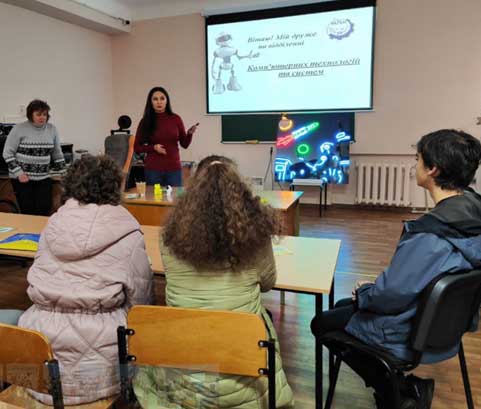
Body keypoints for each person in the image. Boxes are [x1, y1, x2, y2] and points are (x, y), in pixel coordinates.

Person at [311, 129, 481, 409]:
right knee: (343, 306)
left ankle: (399, 395)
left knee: (321, 323)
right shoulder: (472, 213)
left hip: (409, 331)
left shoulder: (430, 236)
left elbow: (390, 296)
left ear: (433, 169)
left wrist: (365, 292)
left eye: (418, 159)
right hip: (449, 324)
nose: (415, 165)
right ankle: (403, 390)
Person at [133, 155, 294, 409]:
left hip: (183, 367)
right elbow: (267, 283)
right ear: (240, 189)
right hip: (245, 366)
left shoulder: (169, 236)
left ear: (193, 190)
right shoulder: (256, 235)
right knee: (263, 318)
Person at [18, 155, 154, 405]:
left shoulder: (52, 225)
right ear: (114, 186)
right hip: (103, 369)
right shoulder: (128, 231)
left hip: (37, 363)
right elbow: (142, 303)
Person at [2, 99, 66, 215]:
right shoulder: (19, 129)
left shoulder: (52, 129)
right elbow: (7, 153)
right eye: (38, 114)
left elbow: (57, 153)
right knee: (28, 211)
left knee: (44, 209)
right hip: (22, 178)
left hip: (43, 177)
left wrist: (64, 173)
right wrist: (19, 173)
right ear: (30, 115)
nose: (42, 117)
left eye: (44, 114)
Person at [134, 86, 198, 186]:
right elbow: (137, 147)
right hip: (153, 171)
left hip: (174, 170)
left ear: (167, 101)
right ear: (150, 102)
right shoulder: (145, 121)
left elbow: (184, 144)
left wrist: (189, 134)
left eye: (162, 98)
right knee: (154, 196)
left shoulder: (176, 119)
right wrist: (153, 148)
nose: (159, 102)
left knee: (175, 196)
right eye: (155, 99)